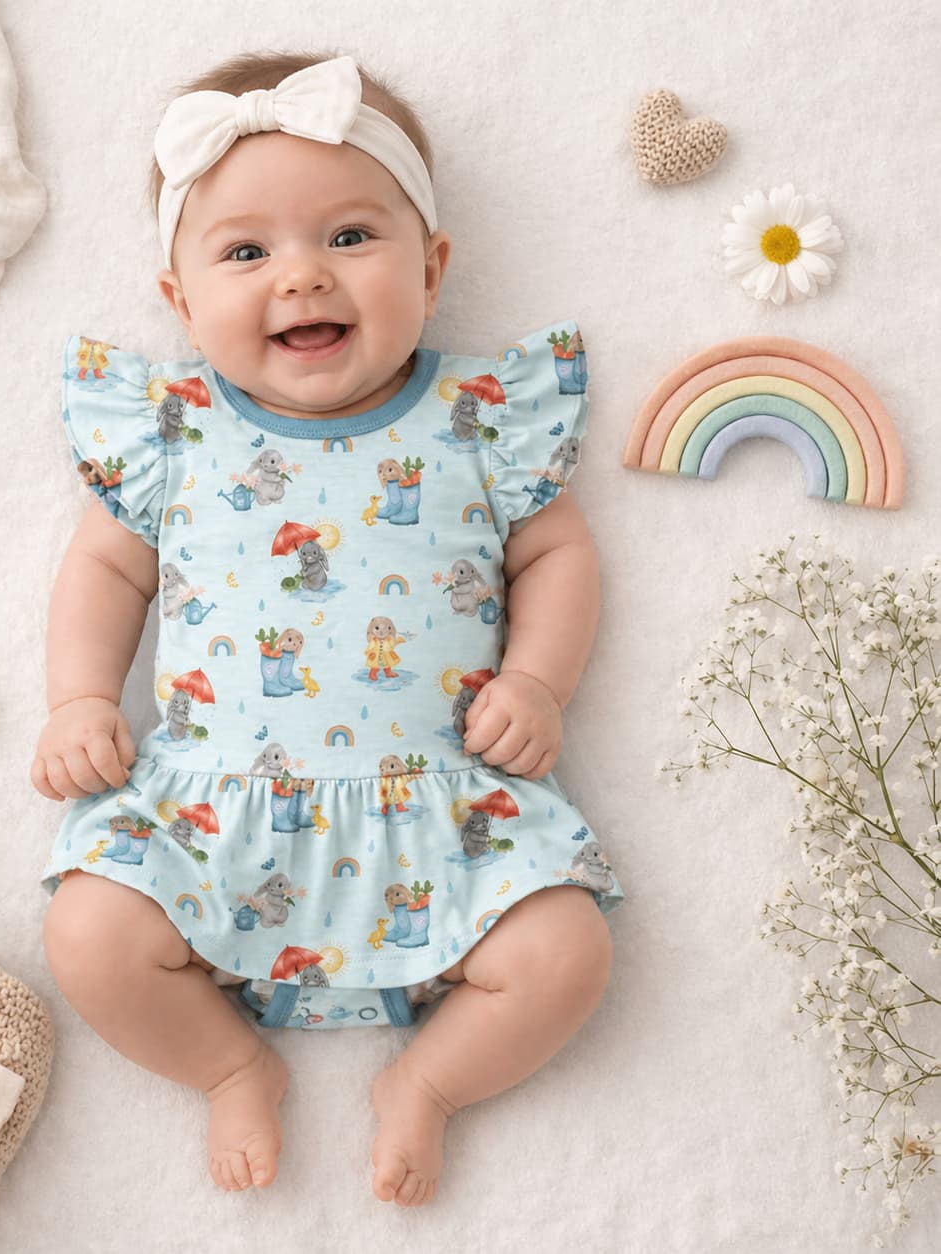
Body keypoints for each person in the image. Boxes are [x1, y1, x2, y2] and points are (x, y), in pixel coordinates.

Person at [34, 51, 624, 1207]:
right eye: (246, 252)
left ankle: (431, 1085)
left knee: (567, 956)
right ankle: (228, 1063)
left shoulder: (479, 422)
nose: (301, 278)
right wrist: (78, 698)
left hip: (442, 814)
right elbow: (106, 567)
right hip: (213, 816)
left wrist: (540, 681)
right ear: (181, 302)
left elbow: (557, 551)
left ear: (433, 265)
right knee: (90, 936)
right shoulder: (172, 433)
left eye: (350, 238)